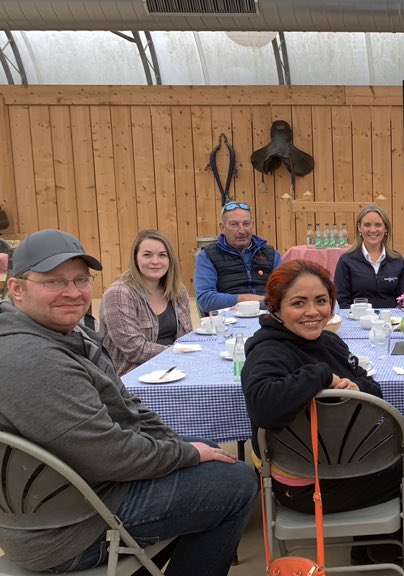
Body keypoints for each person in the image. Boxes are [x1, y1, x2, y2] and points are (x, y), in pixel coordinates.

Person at [0, 229, 256, 575]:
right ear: (17, 288)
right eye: (54, 282)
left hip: (81, 492)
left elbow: (128, 405)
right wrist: (187, 453)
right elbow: (109, 455)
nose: (73, 292)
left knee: (209, 449)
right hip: (67, 529)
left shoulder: (67, 334)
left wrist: (182, 446)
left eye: (80, 280)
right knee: (237, 481)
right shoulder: (30, 358)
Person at [242, 260, 404, 565]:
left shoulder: (328, 341)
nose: (312, 311)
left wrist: (356, 389)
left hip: (333, 460)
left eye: (321, 301)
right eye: (298, 303)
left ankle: (369, 545)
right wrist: (321, 375)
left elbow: (372, 389)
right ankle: (388, 550)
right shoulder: (268, 352)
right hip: (307, 485)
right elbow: (264, 406)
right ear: (276, 308)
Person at [100, 230, 193, 375]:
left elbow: (186, 337)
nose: (155, 261)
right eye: (147, 255)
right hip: (132, 376)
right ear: (135, 259)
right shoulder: (119, 294)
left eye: (162, 255)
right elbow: (135, 350)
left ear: (170, 260)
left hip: (175, 369)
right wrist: (178, 353)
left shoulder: (178, 291)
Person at [194, 201, 282, 314]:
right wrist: (246, 300)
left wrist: (261, 304)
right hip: (228, 320)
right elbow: (205, 300)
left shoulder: (271, 254)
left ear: (252, 225)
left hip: (270, 317)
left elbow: (285, 293)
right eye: (234, 224)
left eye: (246, 224)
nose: (241, 230)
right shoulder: (208, 256)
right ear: (222, 227)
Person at [334, 204, 404, 310]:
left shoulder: (397, 260)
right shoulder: (346, 261)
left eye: (378, 225)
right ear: (359, 228)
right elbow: (342, 301)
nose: (372, 230)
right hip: (357, 322)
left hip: (391, 322)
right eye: (367, 225)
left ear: (386, 228)